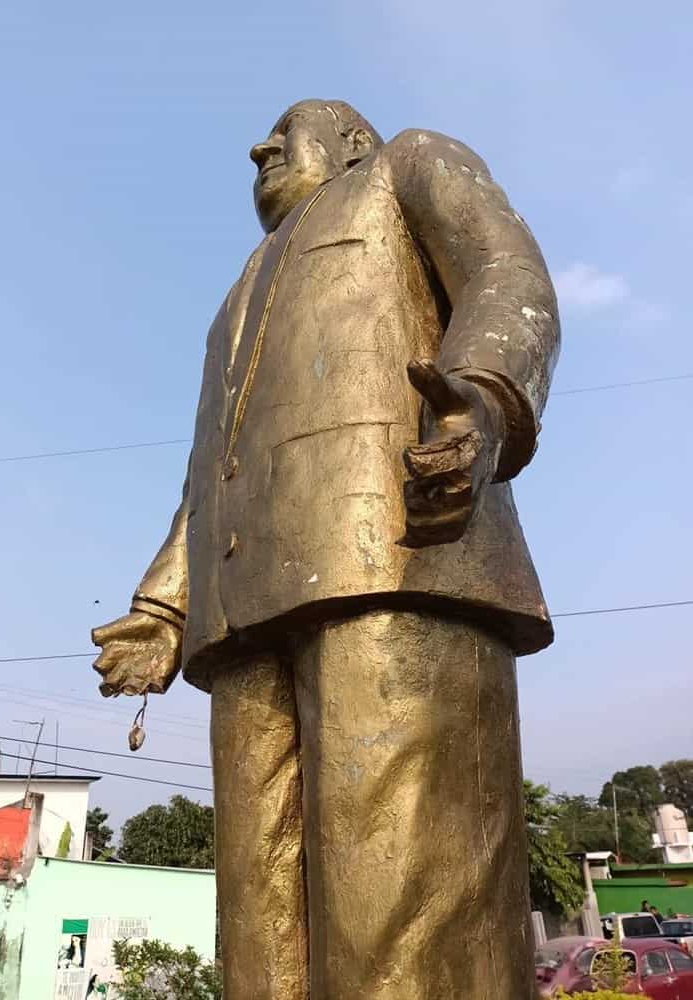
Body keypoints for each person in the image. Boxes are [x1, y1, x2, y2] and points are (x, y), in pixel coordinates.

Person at [92, 99, 560, 1000]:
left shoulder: (407, 166)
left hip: (398, 560)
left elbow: (510, 273)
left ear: (353, 142)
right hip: (241, 610)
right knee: (257, 937)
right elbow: (210, 467)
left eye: (288, 126)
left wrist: (487, 398)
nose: (261, 146)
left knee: (400, 916)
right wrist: (164, 606)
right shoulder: (237, 295)